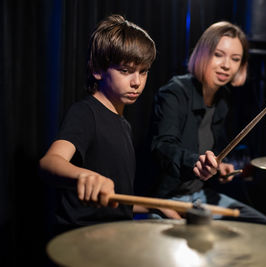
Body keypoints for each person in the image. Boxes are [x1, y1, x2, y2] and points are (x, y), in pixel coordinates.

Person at [39, 14, 180, 235]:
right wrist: (83, 175)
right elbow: (49, 162)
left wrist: (157, 205)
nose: (137, 82)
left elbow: (117, 204)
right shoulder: (85, 113)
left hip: (116, 231)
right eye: (125, 71)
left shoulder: (124, 124)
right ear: (97, 70)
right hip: (83, 236)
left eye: (143, 72)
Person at [150, 21, 266, 225]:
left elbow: (210, 155)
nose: (226, 65)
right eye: (218, 55)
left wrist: (219, 167)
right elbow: (163, 147)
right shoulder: (174, 92)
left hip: (198, 197)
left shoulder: (222, 100)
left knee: (262, 226)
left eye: (235, 59)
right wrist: (197, 162)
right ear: (203, 54)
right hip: (166, 198)